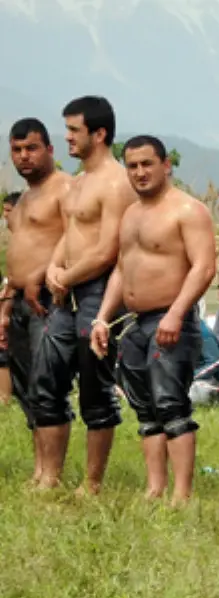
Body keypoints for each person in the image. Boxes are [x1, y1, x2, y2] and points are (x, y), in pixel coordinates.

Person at [89, 136, 216, 505]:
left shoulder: (188, 210)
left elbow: (204, 266)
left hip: (171, 318)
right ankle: (155, 487)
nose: (140, 172)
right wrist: (101, 318)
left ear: (166, 165)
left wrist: (176, 312)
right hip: (132, 321)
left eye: (147, 164)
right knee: (144, 407)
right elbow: (120, 270)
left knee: (170, 403)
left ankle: (181, 493)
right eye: (132, 166)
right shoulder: (130, 214)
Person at [32, 96, 136, 494]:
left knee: (95, 385)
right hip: (66, 290)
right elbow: (68, 235)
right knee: (48, 379)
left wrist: (68, 275)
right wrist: (53, 269)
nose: (67, 137)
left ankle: (92, 481)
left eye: (74, 130)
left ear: (99, 133)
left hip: (97, 292)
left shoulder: (116, 182)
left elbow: (108, 249)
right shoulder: (75, 182)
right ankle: (49, 475)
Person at [0, 120, 71, 483]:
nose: (24, 156)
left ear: (50, 149)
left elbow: (78, 238)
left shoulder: (65, 189)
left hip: (49, 299)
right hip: (19, 303)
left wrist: (43, 274)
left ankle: (52, 475)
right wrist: (8, 301)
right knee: (27, 389)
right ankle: (39, 469)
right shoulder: (24, 198)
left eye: (31, 148)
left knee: (48, 386)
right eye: (17, 149)